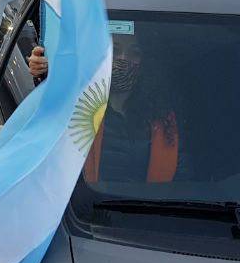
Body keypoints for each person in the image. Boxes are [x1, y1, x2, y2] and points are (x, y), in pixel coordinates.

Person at [28, 32, 185, 183]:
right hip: (89, 208)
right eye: (115, 50)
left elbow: (182, 178)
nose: (123, 59)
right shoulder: (78, 107)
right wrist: (45, 71)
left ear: (145, 62)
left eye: (135, 53)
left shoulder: (163, 118)